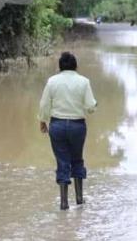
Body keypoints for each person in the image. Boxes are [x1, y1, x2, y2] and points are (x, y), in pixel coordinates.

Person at [38, 51, 97, 210]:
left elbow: (44, 105)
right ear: (76, 66)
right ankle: (79, 199)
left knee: (62, 162)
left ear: (60, 67)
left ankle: (64, 203)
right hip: (78, 126)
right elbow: (90, 107)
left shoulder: (52, 81)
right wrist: (92, 106)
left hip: (57, 126)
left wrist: (43, 121)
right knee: (77, 159)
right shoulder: (84, 82)